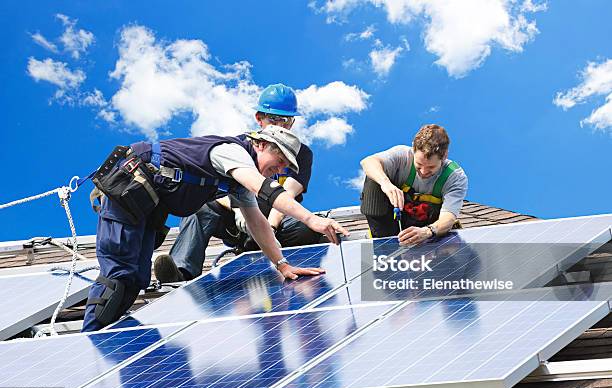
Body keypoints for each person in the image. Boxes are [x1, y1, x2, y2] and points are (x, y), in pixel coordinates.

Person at [82, 123, 348, 332]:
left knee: (137, 278)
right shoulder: (231, 153)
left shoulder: (238, 181)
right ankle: (90, 342)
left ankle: (106, 341)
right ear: (260, 144)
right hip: (128, 189)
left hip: (145, 206)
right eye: (278, 162)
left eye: (283, 169)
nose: (277, 171)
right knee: (119, 275)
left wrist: (282, 265)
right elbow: (263, 188)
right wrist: (312, 220)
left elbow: (257, 222)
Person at [154, 83, 319, 283]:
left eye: (285, 120)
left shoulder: (300, 154)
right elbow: (220, 188)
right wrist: (238, 210)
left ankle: (288, 259)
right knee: (200, 209)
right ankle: (181, 273)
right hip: (238, 218)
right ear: (259, 119)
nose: (280, 125)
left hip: (276, 222)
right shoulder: (241, 147)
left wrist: (271, 226)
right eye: (273, 119)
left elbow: (288, 194)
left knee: (307, 226)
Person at [359, 124, 467, 246]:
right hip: (391, 228)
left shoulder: (454, 176)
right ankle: (384, 244)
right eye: (419, 164)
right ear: (413, 149)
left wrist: (428, 231)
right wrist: (386, 184)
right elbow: (368, 161)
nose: (423, 172)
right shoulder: (402, 155)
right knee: (374, 178)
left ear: (445, 155)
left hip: (428, 233)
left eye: (431, 167)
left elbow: (448, 216)